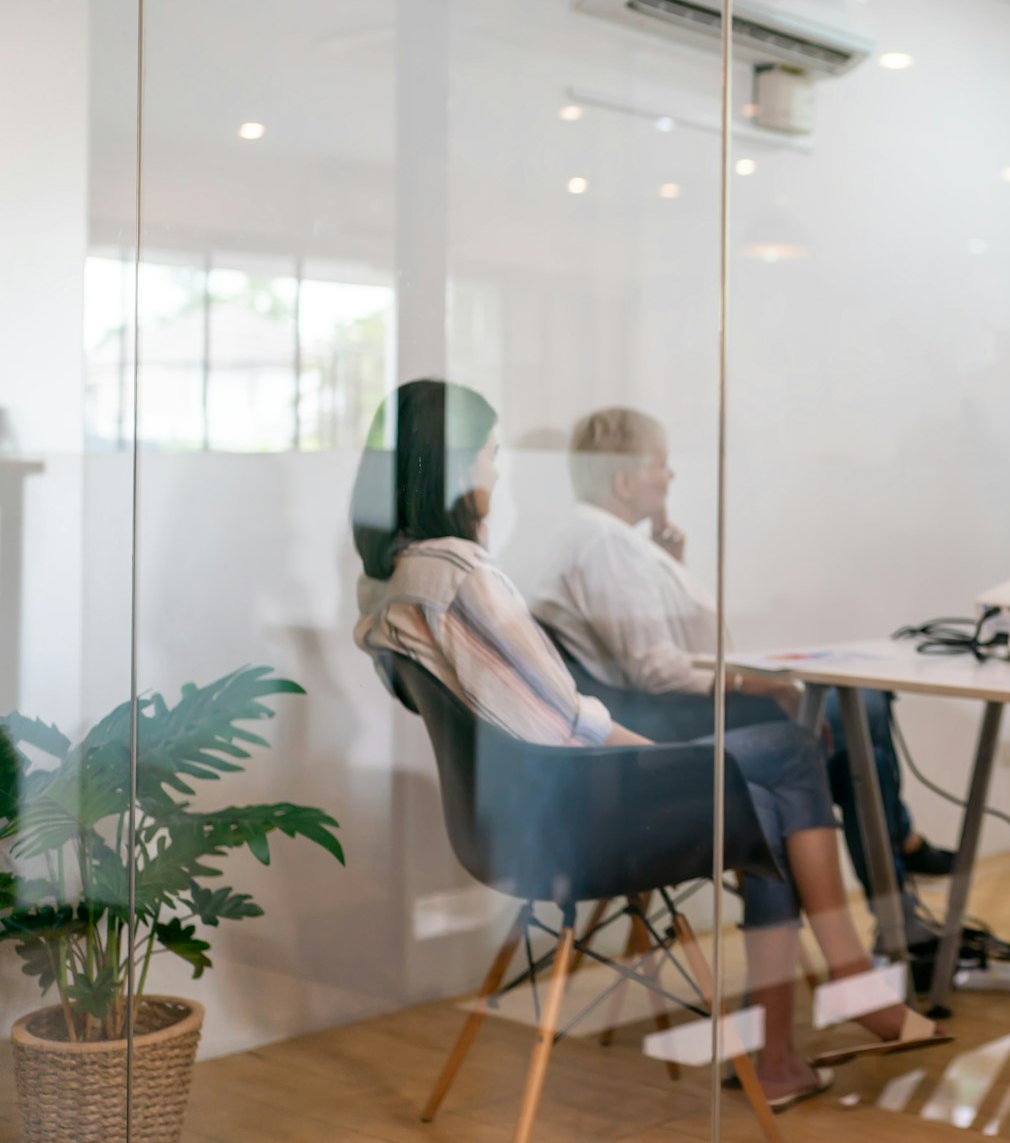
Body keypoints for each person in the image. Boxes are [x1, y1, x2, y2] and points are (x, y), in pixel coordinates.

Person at [350, 381, 947, 1111]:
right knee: (789, 754)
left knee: (763, 793)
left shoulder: (392, 581)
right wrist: (672, 761)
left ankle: (791, 1048)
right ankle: (849, 983)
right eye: (490, 457)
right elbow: (570, 716)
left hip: (513, 818)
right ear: (452, 466)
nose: (497, 474)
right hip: (574, 810)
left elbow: (525, 709)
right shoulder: (462, 572)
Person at [528, 406, 957, 890]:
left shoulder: (596, 539)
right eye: (661, 465)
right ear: (624, 482)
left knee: (861, 737)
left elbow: (650, 646)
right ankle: (898, 885)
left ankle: (899, 886)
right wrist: (761, 684)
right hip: (667, 724)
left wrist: (667, 565)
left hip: (660, 712)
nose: (670, 477)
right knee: (864, 714)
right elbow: (655, 669)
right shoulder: (605, 545)